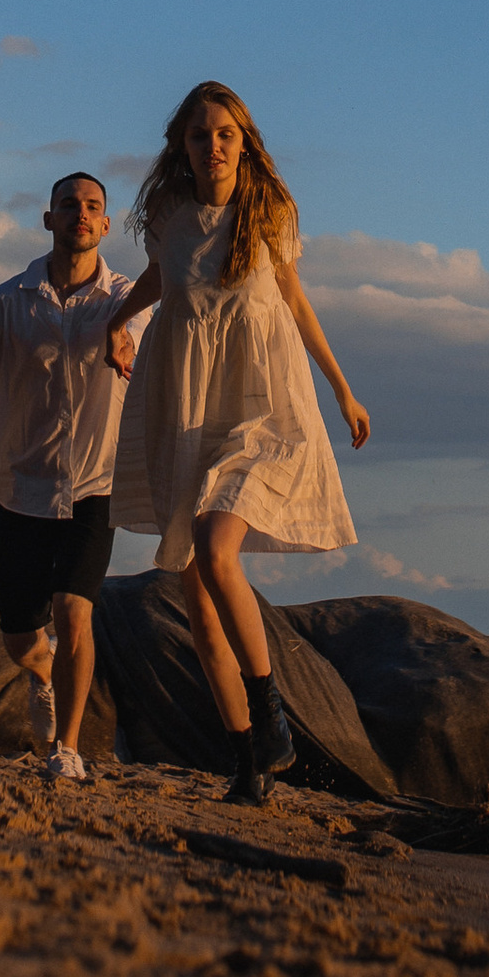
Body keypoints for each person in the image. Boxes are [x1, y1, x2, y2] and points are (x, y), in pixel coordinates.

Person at [105, 81, 371, 805]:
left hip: (263, 407)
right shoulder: (169, 215)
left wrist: (342, 388)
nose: (213, 146)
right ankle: (249, 760)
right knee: (197, 597)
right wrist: (117, 320)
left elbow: (294, 299)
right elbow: (159, 279)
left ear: (245, 142)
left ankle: (272, 713)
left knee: (217, 548)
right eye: (200, 135)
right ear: (182, 146)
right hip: (186, 406)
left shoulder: (269, 211)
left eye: (226, 134)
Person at [0, 170, 148, 784]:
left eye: (92, 206)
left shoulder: (129, 301)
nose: (80, 214)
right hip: (21, 489)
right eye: (68, 204)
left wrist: (128, 344)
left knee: (74, 613)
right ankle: (43, 674)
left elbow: (161, 370)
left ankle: (67, 749)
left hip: (95, 486)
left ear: (106, 224)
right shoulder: (7, 302)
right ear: (48, 219)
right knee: (21, 639)